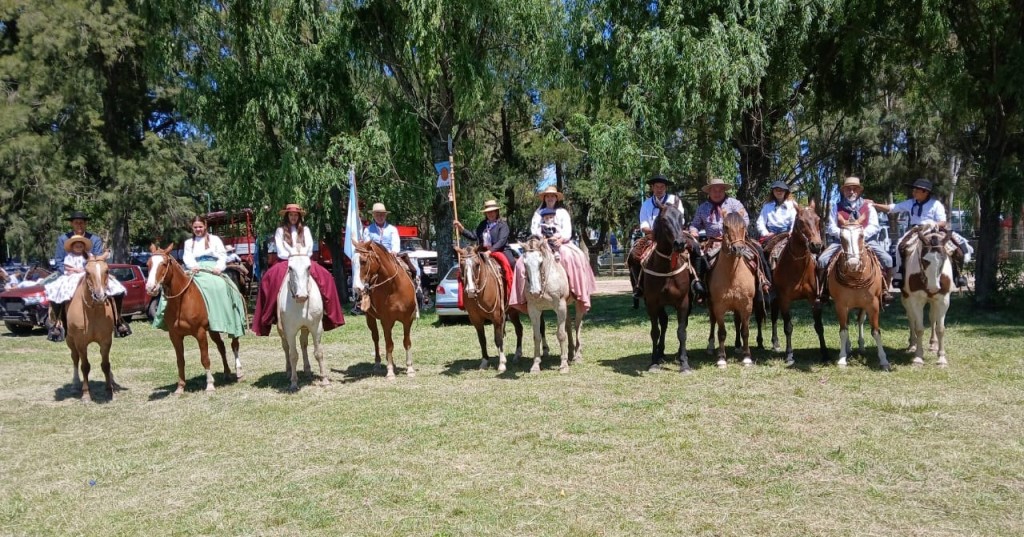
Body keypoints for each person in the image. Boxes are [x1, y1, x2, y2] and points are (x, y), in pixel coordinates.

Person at [251, 204, 345, 336]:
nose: (293, 217)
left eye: (296, 215)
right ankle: (269, 314)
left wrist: (302, 254)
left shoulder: (305, 230)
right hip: (286, 260)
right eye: (291, 215)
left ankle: (328, 313)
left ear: (299, 217)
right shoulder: (280, 231)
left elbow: (310, 247)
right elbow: (281, 251)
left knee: (326, 277)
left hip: (304, 259)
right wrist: (294, 253)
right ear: (287, 216)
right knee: (269, 279)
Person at [871, 178, 972, 288]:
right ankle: (900, 272)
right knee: (899, 245)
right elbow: (893, 208)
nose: (913, 192)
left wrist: (933, 224)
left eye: (916, 190)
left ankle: (958, 274)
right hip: (916, 230)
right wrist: (875, 204)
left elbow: (943, 222)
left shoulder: (936, 204)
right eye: (914, 190)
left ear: (925, 192)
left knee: (958, 243)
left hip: (934, 229)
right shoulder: (910, 203)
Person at [48, 210, 131, 341]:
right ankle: (58, 324)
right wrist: (69, 271)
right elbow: (58, 261)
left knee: (118, 289)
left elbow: (98, 259)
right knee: (54, 290)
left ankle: (118, 321)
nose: (79, 225)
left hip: (92, 273)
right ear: (71, 224)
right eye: (76, 223)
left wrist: (89, 270)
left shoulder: (95, 239)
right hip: (69, 274)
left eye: (82, 223)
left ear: (85, 224)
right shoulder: (63, 239)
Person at [689, 177, 772, 297]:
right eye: (714, 190)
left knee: (758, 250)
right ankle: (700, 288)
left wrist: (736, 228)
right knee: (700, 260)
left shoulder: (734, 203)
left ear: (724, 190)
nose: (717, 193)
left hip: (737, 239)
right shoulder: (702, 208)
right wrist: (693, 231)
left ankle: (765, 281)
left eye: (720, 190)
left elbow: (745, 219)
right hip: (713, 242)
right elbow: (695, 224)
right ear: (709, 192)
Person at [817, 176, 894, 302]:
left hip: (866, 240)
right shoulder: (836, 207)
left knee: (888, 259)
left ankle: (885, 290)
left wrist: (859, 236)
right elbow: (831, 227)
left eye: (854, 189)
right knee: (822, 260)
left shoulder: (869, 206)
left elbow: (874, 226)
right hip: (842, 241)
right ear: (843, 191)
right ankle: (823, 291)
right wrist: (845, 235)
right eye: (848, 189)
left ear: (859, 191)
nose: (851, 191)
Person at [629, 174, 691, 299]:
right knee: (633, 254)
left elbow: (681, 220)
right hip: (652, 236)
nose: (659, 189)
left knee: (695, 248)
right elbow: (644, 225)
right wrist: (655, 233)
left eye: (662, 187)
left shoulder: (675, 200)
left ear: (665, 188)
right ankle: (638, 285)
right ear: (652, 188)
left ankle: (696, 282)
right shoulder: (646, 204)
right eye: (656, 187)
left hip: (675, 234)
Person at [360, 202, 423, 306]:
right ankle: (362, 296)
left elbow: (395, 242)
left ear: (385, 215)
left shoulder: (392, 229)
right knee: (364, 272)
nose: (380, 217)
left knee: (412, 268)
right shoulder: (368, 230)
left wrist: (394, 251)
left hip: (390, 256)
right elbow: (367, 244)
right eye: (377, 215)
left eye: (382, 215)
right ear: (373, 216)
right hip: (374, 258)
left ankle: (416, 290)